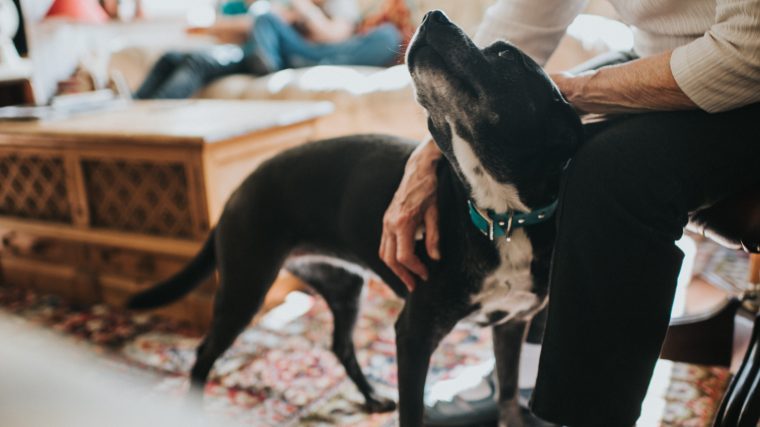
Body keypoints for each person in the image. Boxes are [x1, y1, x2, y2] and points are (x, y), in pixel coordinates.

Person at [380, 0, 760, 426]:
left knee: (611, 171)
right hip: (663, 54)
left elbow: (747, 54)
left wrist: (571, 93)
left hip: (748, 78)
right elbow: (524, 19)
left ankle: (586, 415)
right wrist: (434, 144)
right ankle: (524, 374)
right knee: (529, 139)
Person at [134, 0, 402, 99]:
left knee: (387, 35)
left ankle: (146, 112)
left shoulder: (335, 4)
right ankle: (133, 106)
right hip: (274, 53)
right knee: (174, 58)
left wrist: (300, 10)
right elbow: (237, 27)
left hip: (318, 53)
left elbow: (333, 34)